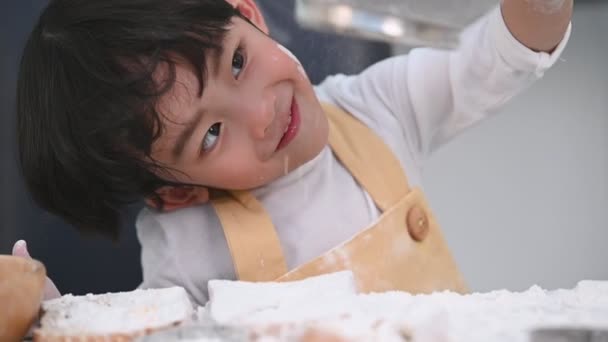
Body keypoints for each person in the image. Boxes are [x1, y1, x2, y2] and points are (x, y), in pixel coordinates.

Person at [13, 0, 572, 305]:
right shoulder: (188, 250)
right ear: (180, 192)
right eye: (211, 134)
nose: (261, 113)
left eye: (237, 62)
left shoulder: (375, 109)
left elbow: (496, 58)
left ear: (249, 14)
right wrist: (51, 315)